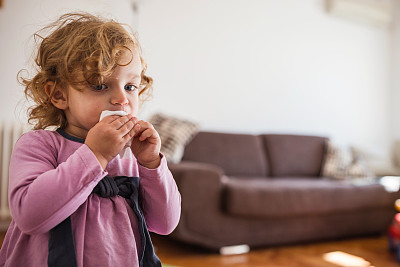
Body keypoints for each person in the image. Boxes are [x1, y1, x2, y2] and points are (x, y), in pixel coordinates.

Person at [0, 12, 181, 267]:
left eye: (130, 86)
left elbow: (165, 223)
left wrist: (151, 163)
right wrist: (95, 154)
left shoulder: (131, 157)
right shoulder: (39, 145)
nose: (122, 99)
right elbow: (30, 215)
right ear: (59, 94)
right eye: (99, 86)